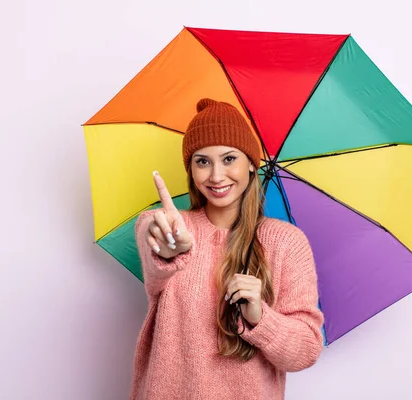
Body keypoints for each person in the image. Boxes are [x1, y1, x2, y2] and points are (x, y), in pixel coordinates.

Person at [129, 98, 324, 399]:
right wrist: (168, 248)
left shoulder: (287, 243)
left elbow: (306, 351)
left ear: (250, 162)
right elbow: (150, 234)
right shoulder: (172, 226)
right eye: (202, 161)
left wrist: (261, 317)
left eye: (229, 158)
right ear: (190, 169)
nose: (216, 176)